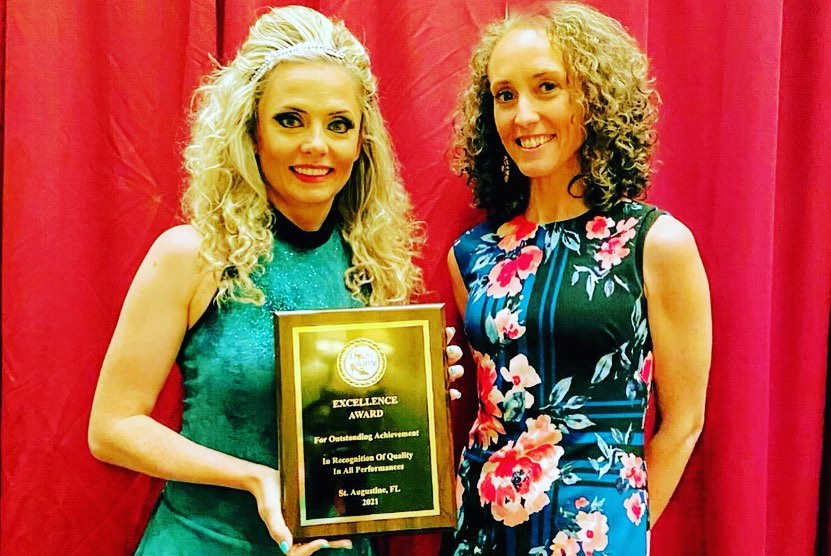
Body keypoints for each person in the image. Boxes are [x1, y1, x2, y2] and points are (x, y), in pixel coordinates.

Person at [88, 6, 461, 555]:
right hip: (209, 542)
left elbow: (353, 438)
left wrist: (415, 394)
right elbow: (112, 428)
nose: (317, 145)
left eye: (339, 124)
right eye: (291, 119)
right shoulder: (195, 254)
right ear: (252, 132)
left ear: (362, 143)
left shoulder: (371, 263)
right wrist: (254, 477)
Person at [444, 2, 711, 554]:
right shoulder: (471, 255)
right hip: (481, 533)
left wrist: (625, 530)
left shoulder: (656, 243)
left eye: (547, 87)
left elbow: (684, 421)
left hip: (596, 534)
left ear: (593, 97)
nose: (522, 115)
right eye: (504, 95)